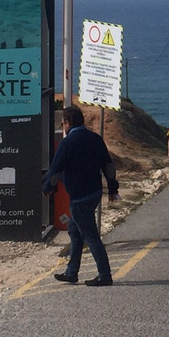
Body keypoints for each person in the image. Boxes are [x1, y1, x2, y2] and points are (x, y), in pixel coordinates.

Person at [41, 104, 117, 287]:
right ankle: (71, 272)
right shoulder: (95, 139)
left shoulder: (67, 143)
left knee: (90, 236)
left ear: (67, 123)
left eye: (63, 122)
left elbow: (56, 169)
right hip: (94, 193)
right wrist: (113, 188)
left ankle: (104, 275)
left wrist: (47, 187)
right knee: (74, 231)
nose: (62, 125)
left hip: (79, 196)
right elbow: (108, 165)